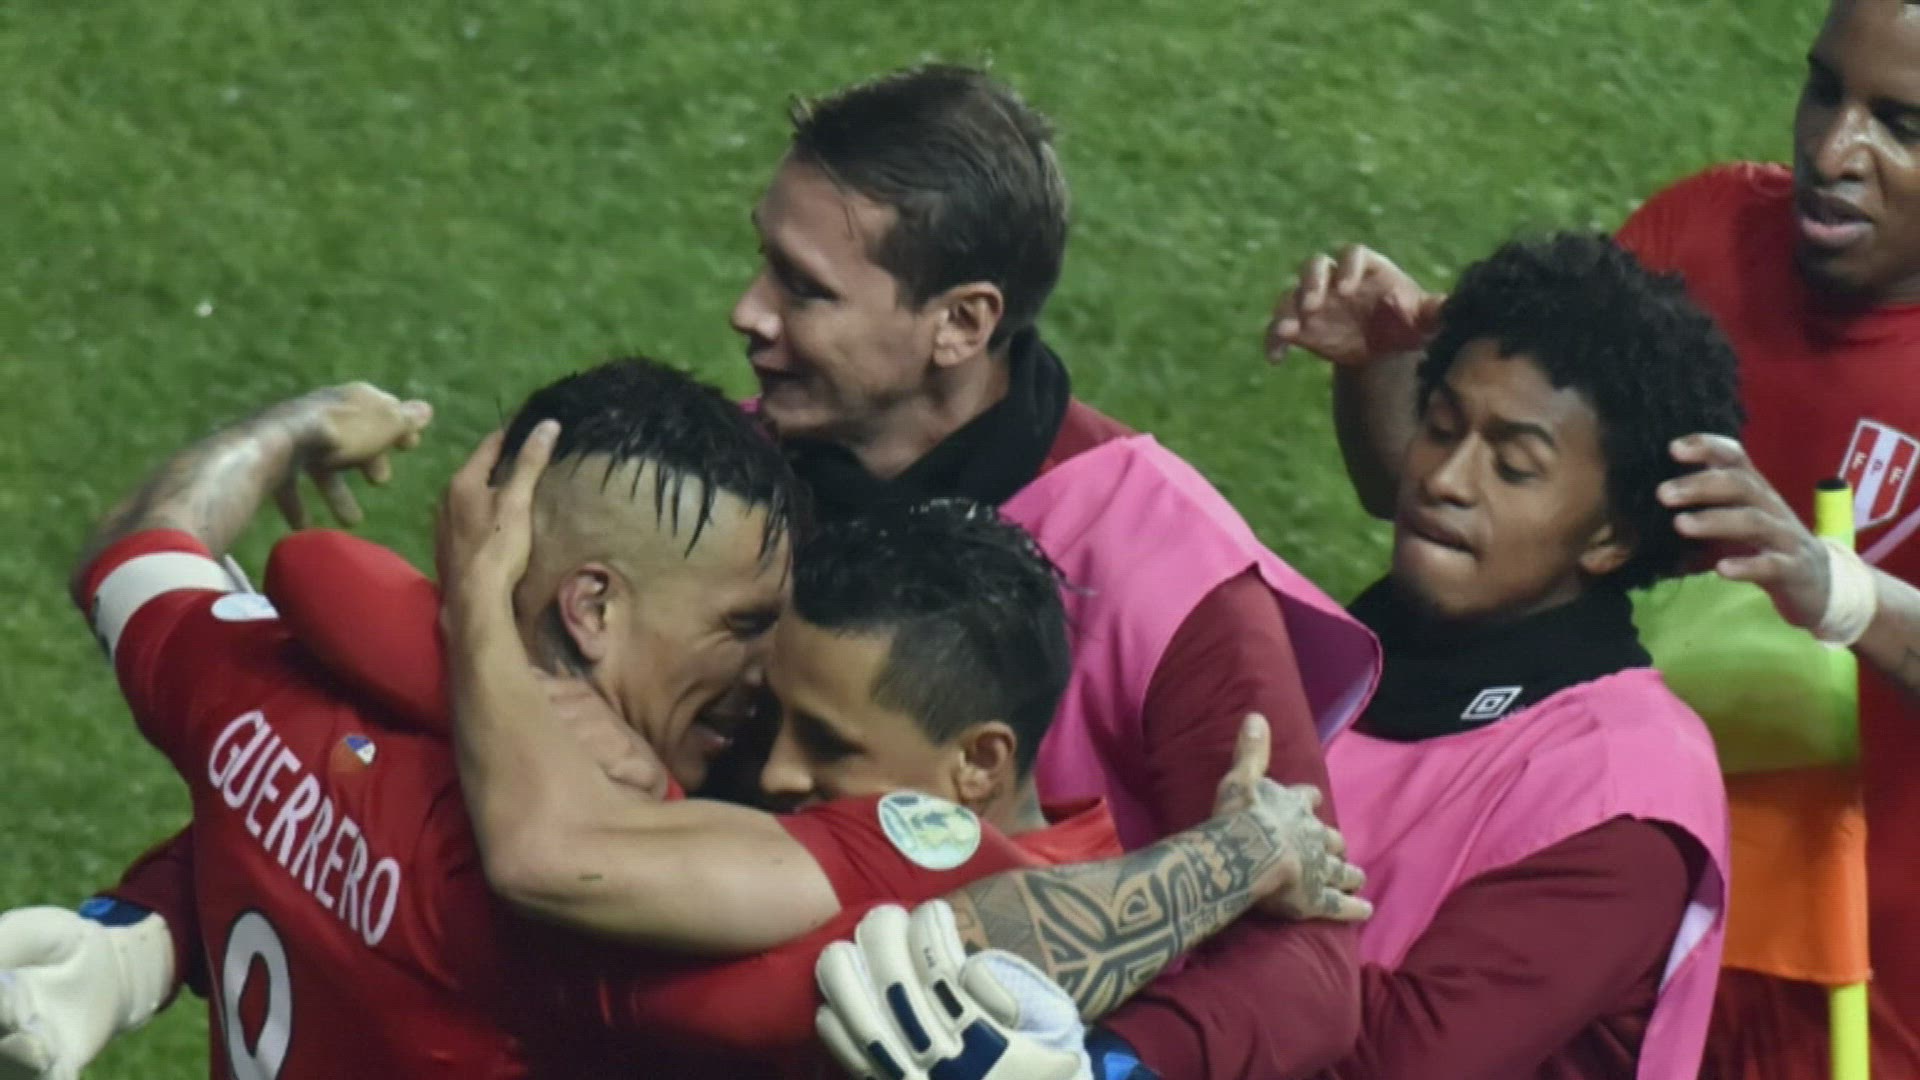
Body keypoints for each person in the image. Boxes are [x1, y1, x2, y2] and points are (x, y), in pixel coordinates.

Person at [43, 62, 1381, 1080]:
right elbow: (416, 782)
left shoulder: (1164, 562)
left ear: (960, 324)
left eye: (804, 289)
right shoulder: (732, 490)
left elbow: (1317, 965)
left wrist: (1079, 1062)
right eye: (764, 264)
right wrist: (154, 920)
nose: (747, 312)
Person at [10, 358, 1361, 1078]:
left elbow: (143, 548)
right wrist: (1243, 852)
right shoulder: (575, 927)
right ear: (594, 606)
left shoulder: (267, 698)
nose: (759, 700)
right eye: (740, 628)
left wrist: (295, 425)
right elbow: (954, 957)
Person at [816, 233, 1737, 1079]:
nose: (1445, 478)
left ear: (1613, 534)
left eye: (1514, 466)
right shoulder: (1353, 650)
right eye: (1442, 424)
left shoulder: (1629, 790)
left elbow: (1404, 1059)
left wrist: (1129, 944)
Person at [1267, 4, 1920, 1068]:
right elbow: (1473, 518)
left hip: (1856, 986)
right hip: (1580, 889)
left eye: (1901, 124)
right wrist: (1386, 370)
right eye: (1824, 91)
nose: (1834, 149)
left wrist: (1835, 589)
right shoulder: (1710, 231)